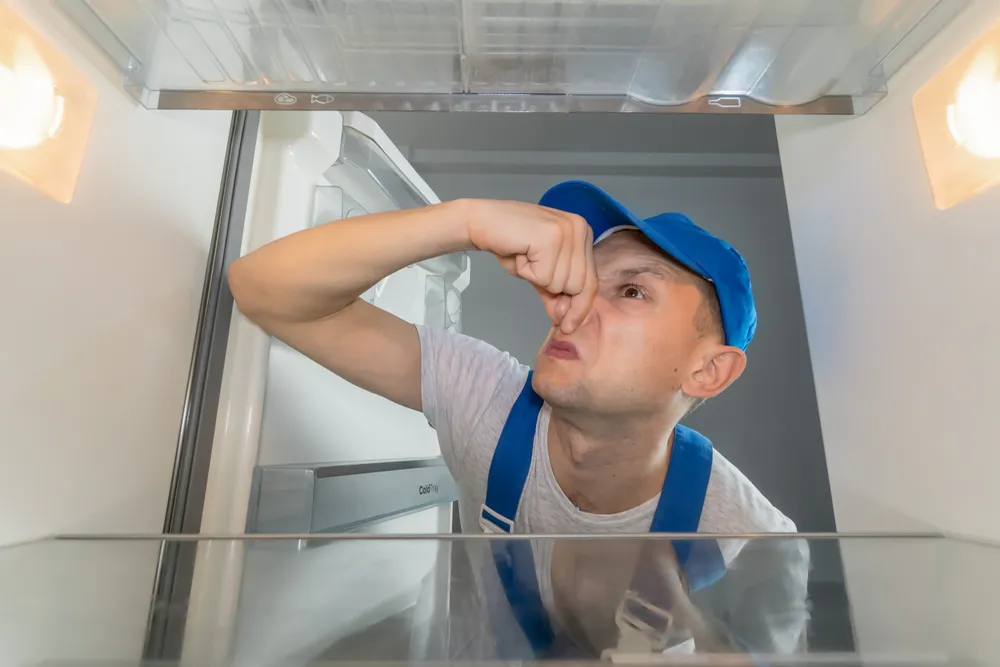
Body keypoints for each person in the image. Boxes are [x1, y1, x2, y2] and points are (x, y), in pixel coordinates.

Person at [229, 179, 809, 657]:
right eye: (583, 282)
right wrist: (465, 222)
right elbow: (263, 289)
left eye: (631, 291)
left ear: (708, 371)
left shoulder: (751, 543)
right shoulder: (487, 400)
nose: (573, 310)